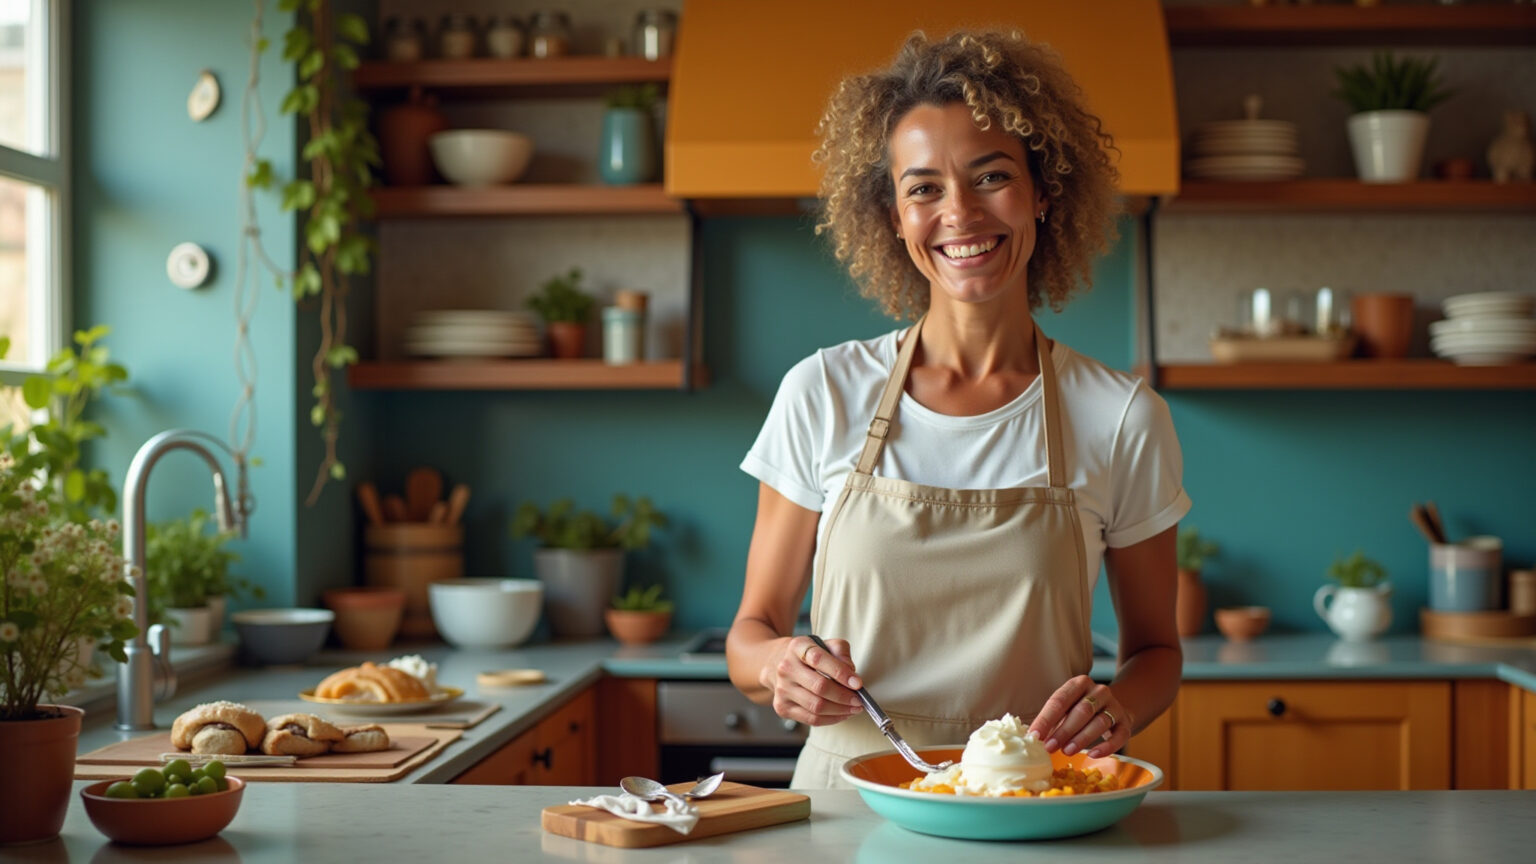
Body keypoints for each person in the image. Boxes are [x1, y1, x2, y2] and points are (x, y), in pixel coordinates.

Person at [725, 30, 1191, 789]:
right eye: (924, 188)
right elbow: (752, 632)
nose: (961, 214)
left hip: (1035, 801)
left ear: (1043, 191)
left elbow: (1156, 654)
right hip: (850, 806)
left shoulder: (1121, 416)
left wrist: (1120, 709)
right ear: (894, 217)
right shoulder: (822, 391)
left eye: (991, 176)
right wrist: (779, 663)